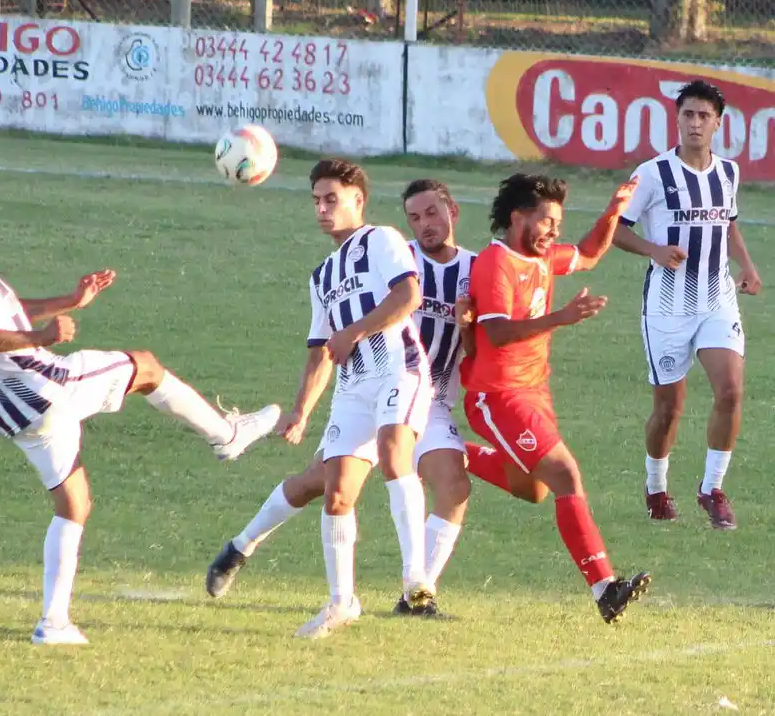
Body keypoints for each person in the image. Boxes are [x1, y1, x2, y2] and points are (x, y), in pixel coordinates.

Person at [0, 175, 280, 645]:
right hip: (46, 387)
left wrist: (71, 301)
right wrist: (41, 338)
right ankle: (226, 436)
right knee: (146, 367)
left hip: (17, 416)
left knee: (74, 504)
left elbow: (0, 313)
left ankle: (53, 623)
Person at [205, 179, 548, 616]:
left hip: (430, 399)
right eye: (415, 217)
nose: (425, 225)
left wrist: (467, 328)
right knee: (319, 484)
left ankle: (416, 597)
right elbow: (338, 328)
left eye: (432, 213)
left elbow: (484, 349)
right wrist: (304, 406)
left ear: (453, 211)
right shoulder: (391, 256)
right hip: (374, 386)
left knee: (453, 486)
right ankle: (241, 545)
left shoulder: (478, 271)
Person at [245, 158, 433, 639]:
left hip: (399, 367)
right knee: (337, 493)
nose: (323, 210)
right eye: (317, 202)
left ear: (358, 201)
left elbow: (408, 296)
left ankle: (417, 577)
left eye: (332, 200)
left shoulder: (382, 240)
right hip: (353, 386)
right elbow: (319, 352)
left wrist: (355, 330)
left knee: (394, 453)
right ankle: (341, 602)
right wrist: (301, 411)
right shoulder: (322, 275)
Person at [462, 172, 651, 624]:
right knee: (567, 474)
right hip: (498, 396)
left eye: (558, 223)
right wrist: (561, 318)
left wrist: (612, 213)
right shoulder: (495, 263)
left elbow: (587, 254)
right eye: (546, 221)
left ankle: (440, 453)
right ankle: (605, 587)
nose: (553, 231)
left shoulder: (543, 258)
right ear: (517, 217)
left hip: (533, 392)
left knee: (534, 490)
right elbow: (498, 332)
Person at [612, 80, 761, 529]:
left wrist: (748, 266)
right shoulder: (653, 173)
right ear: (677, 120)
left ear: (718, 122)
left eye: (704, 116)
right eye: (688, 115)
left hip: (717, 297)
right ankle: (656, 487)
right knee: (669, 409)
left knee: (731, 391)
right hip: (666, 305)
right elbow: (614, 229)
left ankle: (712, 489)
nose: (695, 123)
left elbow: (727, 225)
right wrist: (654, 250)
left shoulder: (728, 173)